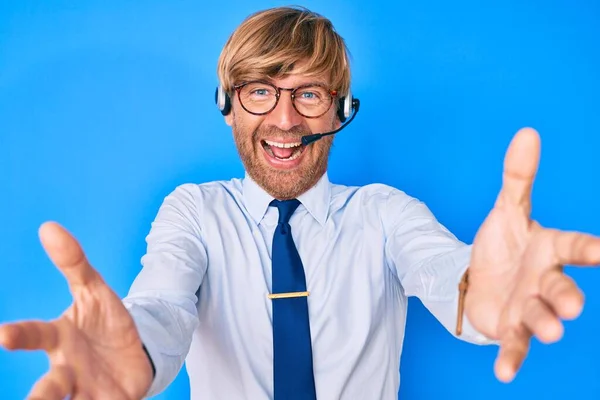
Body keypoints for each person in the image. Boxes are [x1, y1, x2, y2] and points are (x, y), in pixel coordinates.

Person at [1, 5, 599, 400]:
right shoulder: (193, 213)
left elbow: (445, 272)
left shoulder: (384, 213)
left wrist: (483, 297)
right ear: (227, 105)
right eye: (260, 91)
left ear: (340, 110)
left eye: (309, 93)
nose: (284, 121)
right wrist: (132, 347)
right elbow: (164, 303)